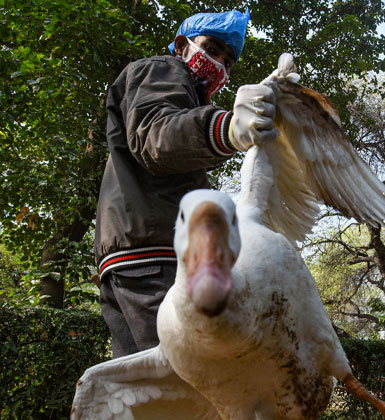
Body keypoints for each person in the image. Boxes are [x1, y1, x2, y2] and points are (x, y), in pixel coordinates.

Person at [94, 9, 278, 358]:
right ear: (182, 44)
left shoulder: (189, 96)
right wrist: (227, 128)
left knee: (143, 389)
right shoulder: (161, 70)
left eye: (227, 60)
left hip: (131, 254)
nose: (218, 63)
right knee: (186, 378)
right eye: (212, 48)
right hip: (152, 252)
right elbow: (158, 138)